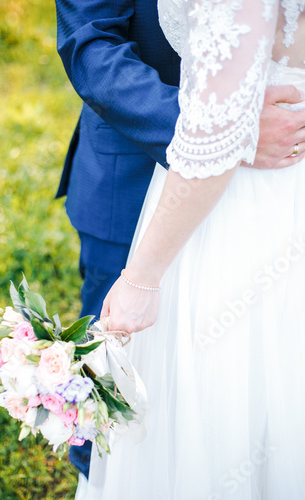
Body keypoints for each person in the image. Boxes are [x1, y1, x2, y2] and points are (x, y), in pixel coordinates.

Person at [54, 0, 305, 493]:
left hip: (281, 168)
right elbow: (89, 42)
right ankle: (100, 469)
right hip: (129, 168)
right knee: (117, 367)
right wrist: (227, 127)